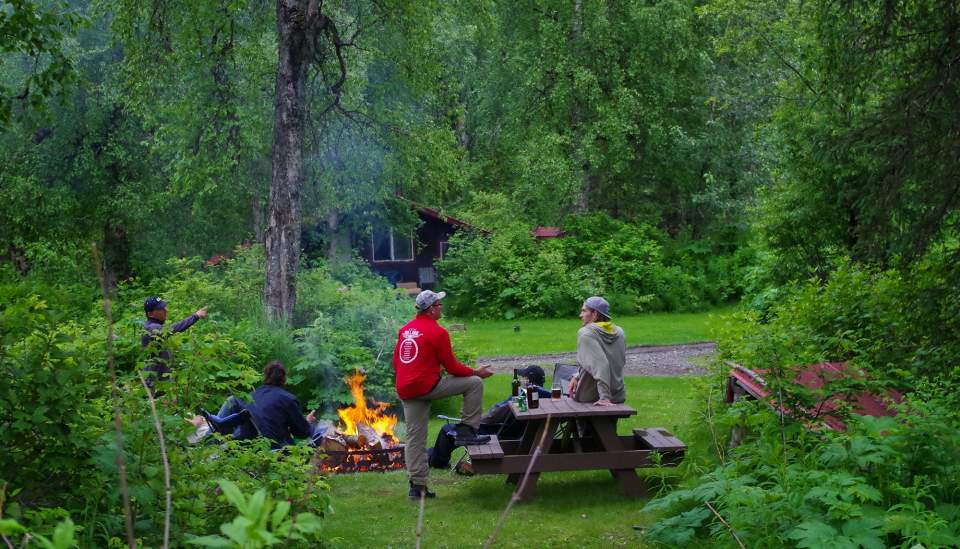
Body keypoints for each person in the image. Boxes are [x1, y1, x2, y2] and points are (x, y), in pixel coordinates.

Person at [394, 290, 493, 500]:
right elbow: (452, 367)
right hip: (425, 386)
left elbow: (398, 361)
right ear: (431, 310)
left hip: (406, 388)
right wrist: (477, 372)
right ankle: (467, 429)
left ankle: (417, 487)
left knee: (414, 438)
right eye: (439, 305)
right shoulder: (437, 332)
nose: (441, 307)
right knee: (474, 384)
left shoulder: (405, 330)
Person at [427, 365, 550, 471]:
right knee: (451, 436)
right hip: (512, 433)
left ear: (528, 380)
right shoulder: (544, 397)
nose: (521, 380)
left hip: (494, 432)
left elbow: (493, 415)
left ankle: (438, 463)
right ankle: (426, 455)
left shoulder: (519, 397)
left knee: (448, 429)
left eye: (523, 377)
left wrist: (473, 421)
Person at [197, 362, 324, 449]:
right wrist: (307, 422)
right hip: (274, 447)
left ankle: (207, 443)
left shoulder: (251, 396)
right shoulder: (288, 399)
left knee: (233, 400)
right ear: (283, 379)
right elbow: (301, 433)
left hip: (247, 443)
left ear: (265, 377)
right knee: (319, 431)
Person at [141, 296, 207, 393]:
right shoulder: (151, 328)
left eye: (164, 307)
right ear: (150, 314)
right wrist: (195, 316)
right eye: (161, 309)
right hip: (156, 382)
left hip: (164, 378)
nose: (166, 310)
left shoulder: (156, 326)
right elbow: (172, 329)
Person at [569, 296, 626, 406]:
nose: (580, 315)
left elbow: (601, 365)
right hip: (618, 394)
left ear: (595, 314)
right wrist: (577, 376)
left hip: (592, 397)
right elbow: (615, 362)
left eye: (584, 311)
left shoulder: (586, 333)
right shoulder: (619, 332)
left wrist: (604, 397)